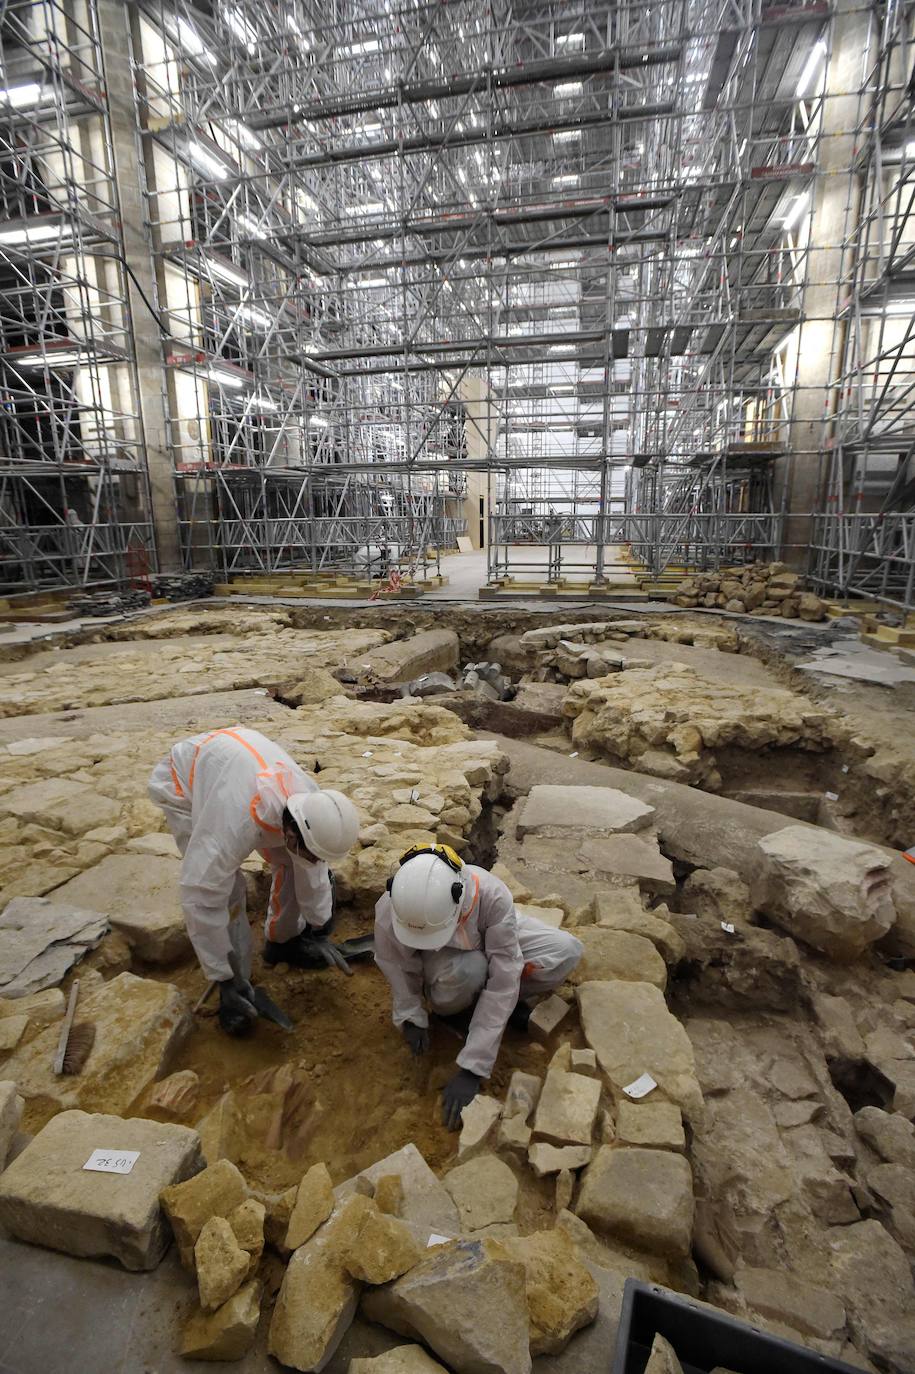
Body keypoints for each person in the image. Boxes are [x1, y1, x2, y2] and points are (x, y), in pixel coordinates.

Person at [148, 725, 359, 1034]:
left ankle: (282, 942)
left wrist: (318, 926)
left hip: (242, 766)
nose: (314, 860)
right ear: (290, 832)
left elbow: (311, 867)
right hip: (185, 780)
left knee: (291, 861)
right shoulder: (231, 825)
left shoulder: (311, 805)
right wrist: (224, 977)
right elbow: (201, 896)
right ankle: (234, 982)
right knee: (227, 888)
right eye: (310, 851)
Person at [374, 844, 583, 1129]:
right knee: (470, 969)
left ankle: (483, 1008)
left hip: (489, 935)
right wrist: (410, 1015)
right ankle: (454, 1011)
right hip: (448, 965)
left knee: (565, 951)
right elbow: (395, 963)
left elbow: (505, 974)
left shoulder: (491, 896)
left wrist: (473, 1067)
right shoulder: (396, 904)